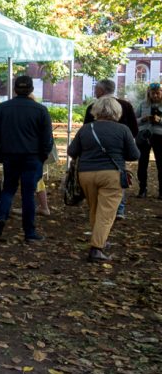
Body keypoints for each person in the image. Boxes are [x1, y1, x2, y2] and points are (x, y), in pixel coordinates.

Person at [67, 96, 139, 262]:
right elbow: (134, 154)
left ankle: (99, 240)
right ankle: (96, 249)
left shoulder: (86, 129)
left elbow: (72, 151)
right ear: (117, 112)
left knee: (94, 209)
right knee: (106, 213)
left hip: (86, 174)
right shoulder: (123, 130)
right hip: (112, 174)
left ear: (96, 111)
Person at [0, 75, 54, 241]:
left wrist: (2, 148)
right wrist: (42, 156)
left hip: (11, 155)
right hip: (32, 157)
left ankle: (2, 217)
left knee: (8, 189)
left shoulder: (3, 108)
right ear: (31, 90)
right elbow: (48, 138)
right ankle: (29, 232)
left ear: (15, 89)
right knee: (28, 194)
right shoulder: (40, 110)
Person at [83, 78, 138, 216]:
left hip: (95, 150)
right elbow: (134, 129)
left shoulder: (92, 107)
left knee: (98, 175)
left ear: (101, 90)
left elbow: (85, 129)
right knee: (119, 175)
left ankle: (98, 207)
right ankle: (118, 208)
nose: (95, 91)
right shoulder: (126, 105)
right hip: (119, 149)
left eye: (96, 88)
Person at [134, 81, 162, 198]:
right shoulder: (142, 104)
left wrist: (159, 120)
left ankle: (161, 191)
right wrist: (144, 119)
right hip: (144, 137)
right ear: (148, 93)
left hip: (160, 137)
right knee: (142, 163)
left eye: (157, 93)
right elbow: (134, 120)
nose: (155, 95)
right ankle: (142, 189)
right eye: (152, 93)